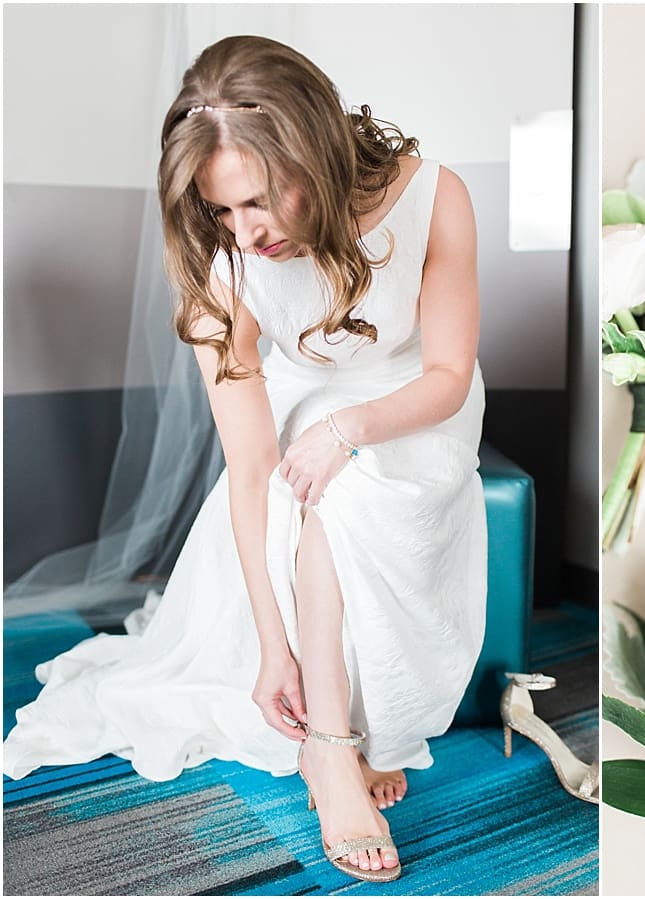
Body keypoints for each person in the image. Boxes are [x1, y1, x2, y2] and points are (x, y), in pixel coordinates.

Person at [2, 35, 487, 883]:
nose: (244, 231)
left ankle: (348, 734)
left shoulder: (435, 195)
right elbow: (253, 461)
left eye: (260, 201)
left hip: (416, 398)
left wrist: (348, 429)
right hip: (308, 402)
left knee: (352, 474)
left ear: (316, 153)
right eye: (221, 210)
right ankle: (334, 750)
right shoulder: (218, 262)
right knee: (316, 496)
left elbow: (448, 374)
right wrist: (273, 646)